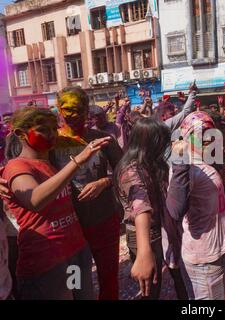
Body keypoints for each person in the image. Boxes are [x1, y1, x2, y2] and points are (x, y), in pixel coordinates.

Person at [2, 107, 111, 300]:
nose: (52, 134)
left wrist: (102, 182)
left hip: (75, 253)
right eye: (44, 129)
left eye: (54, 128)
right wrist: (78, 161)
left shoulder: (51, 163)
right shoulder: (17, 166)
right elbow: (35, 200)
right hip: (46, 261)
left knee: (82, 297)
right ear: (20, 134)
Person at [51, 86, 124, 300]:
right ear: (59, 109)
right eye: (68, 109)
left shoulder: (102, 139)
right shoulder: (51, 145)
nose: (73, 116)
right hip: (69, 226)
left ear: (87, 111)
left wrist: (104, 181)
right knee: (75, 279)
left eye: (79, 110)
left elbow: (127, 172)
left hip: (104, 221)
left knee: (108, 276)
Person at [114, 117, 187, 300]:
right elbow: (141, 209)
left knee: (179, 278)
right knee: (151, 287)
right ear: (151, 144)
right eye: (161, 143)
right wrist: (144, 251)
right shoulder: (131, 171)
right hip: (145, 235)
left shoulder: (153, 163)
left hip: (162, 230)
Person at [167, 111, 225, 300]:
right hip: (204, 258)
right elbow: (175, 210)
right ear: (187, 136)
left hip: (220, 249)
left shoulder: (205, 161)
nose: (208, 140)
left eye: (210, 134)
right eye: (201, 135)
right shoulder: (185, 167)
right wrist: (179, 162)